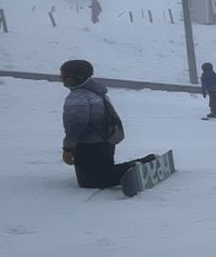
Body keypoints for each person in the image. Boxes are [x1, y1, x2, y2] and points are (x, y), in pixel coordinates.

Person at [59, 59, 152, 189]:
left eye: (64, 76)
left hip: (88, 146)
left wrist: (68, 149)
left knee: (91, 181)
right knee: (105, 171)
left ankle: (134, 169)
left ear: (75, 78)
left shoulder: (77, 98)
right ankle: (144, 163)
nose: (62, 80)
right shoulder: (96, 92)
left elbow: (75, 127)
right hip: (106, 142)